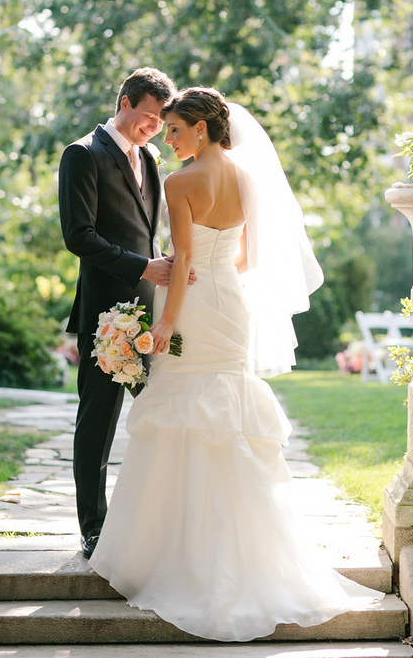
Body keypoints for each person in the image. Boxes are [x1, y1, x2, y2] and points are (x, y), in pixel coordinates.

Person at [89, 87, 384, 641]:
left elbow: (183, 267)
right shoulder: (248, 178)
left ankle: (179, 555)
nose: (168, 139)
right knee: (228, 420)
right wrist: (209, 265)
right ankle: (248, 552)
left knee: (186, 415)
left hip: (195, 308)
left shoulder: (180, 183)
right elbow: (247, 255)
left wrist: (164, 326)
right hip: (232, 305)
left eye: (174, 129)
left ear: (200, 129)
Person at [58, 67, 179, 559]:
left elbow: (146, 231)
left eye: (160, 121)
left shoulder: (148, 158)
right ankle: (94, 527)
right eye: (148, 117)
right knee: (98, 422)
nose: (153, 128)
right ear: (125, 102)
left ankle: (157, 522)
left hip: (153, 312)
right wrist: (142, 268)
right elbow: (78, 235)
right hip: (105, 314)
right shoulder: (82, 154)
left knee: (164, 415)